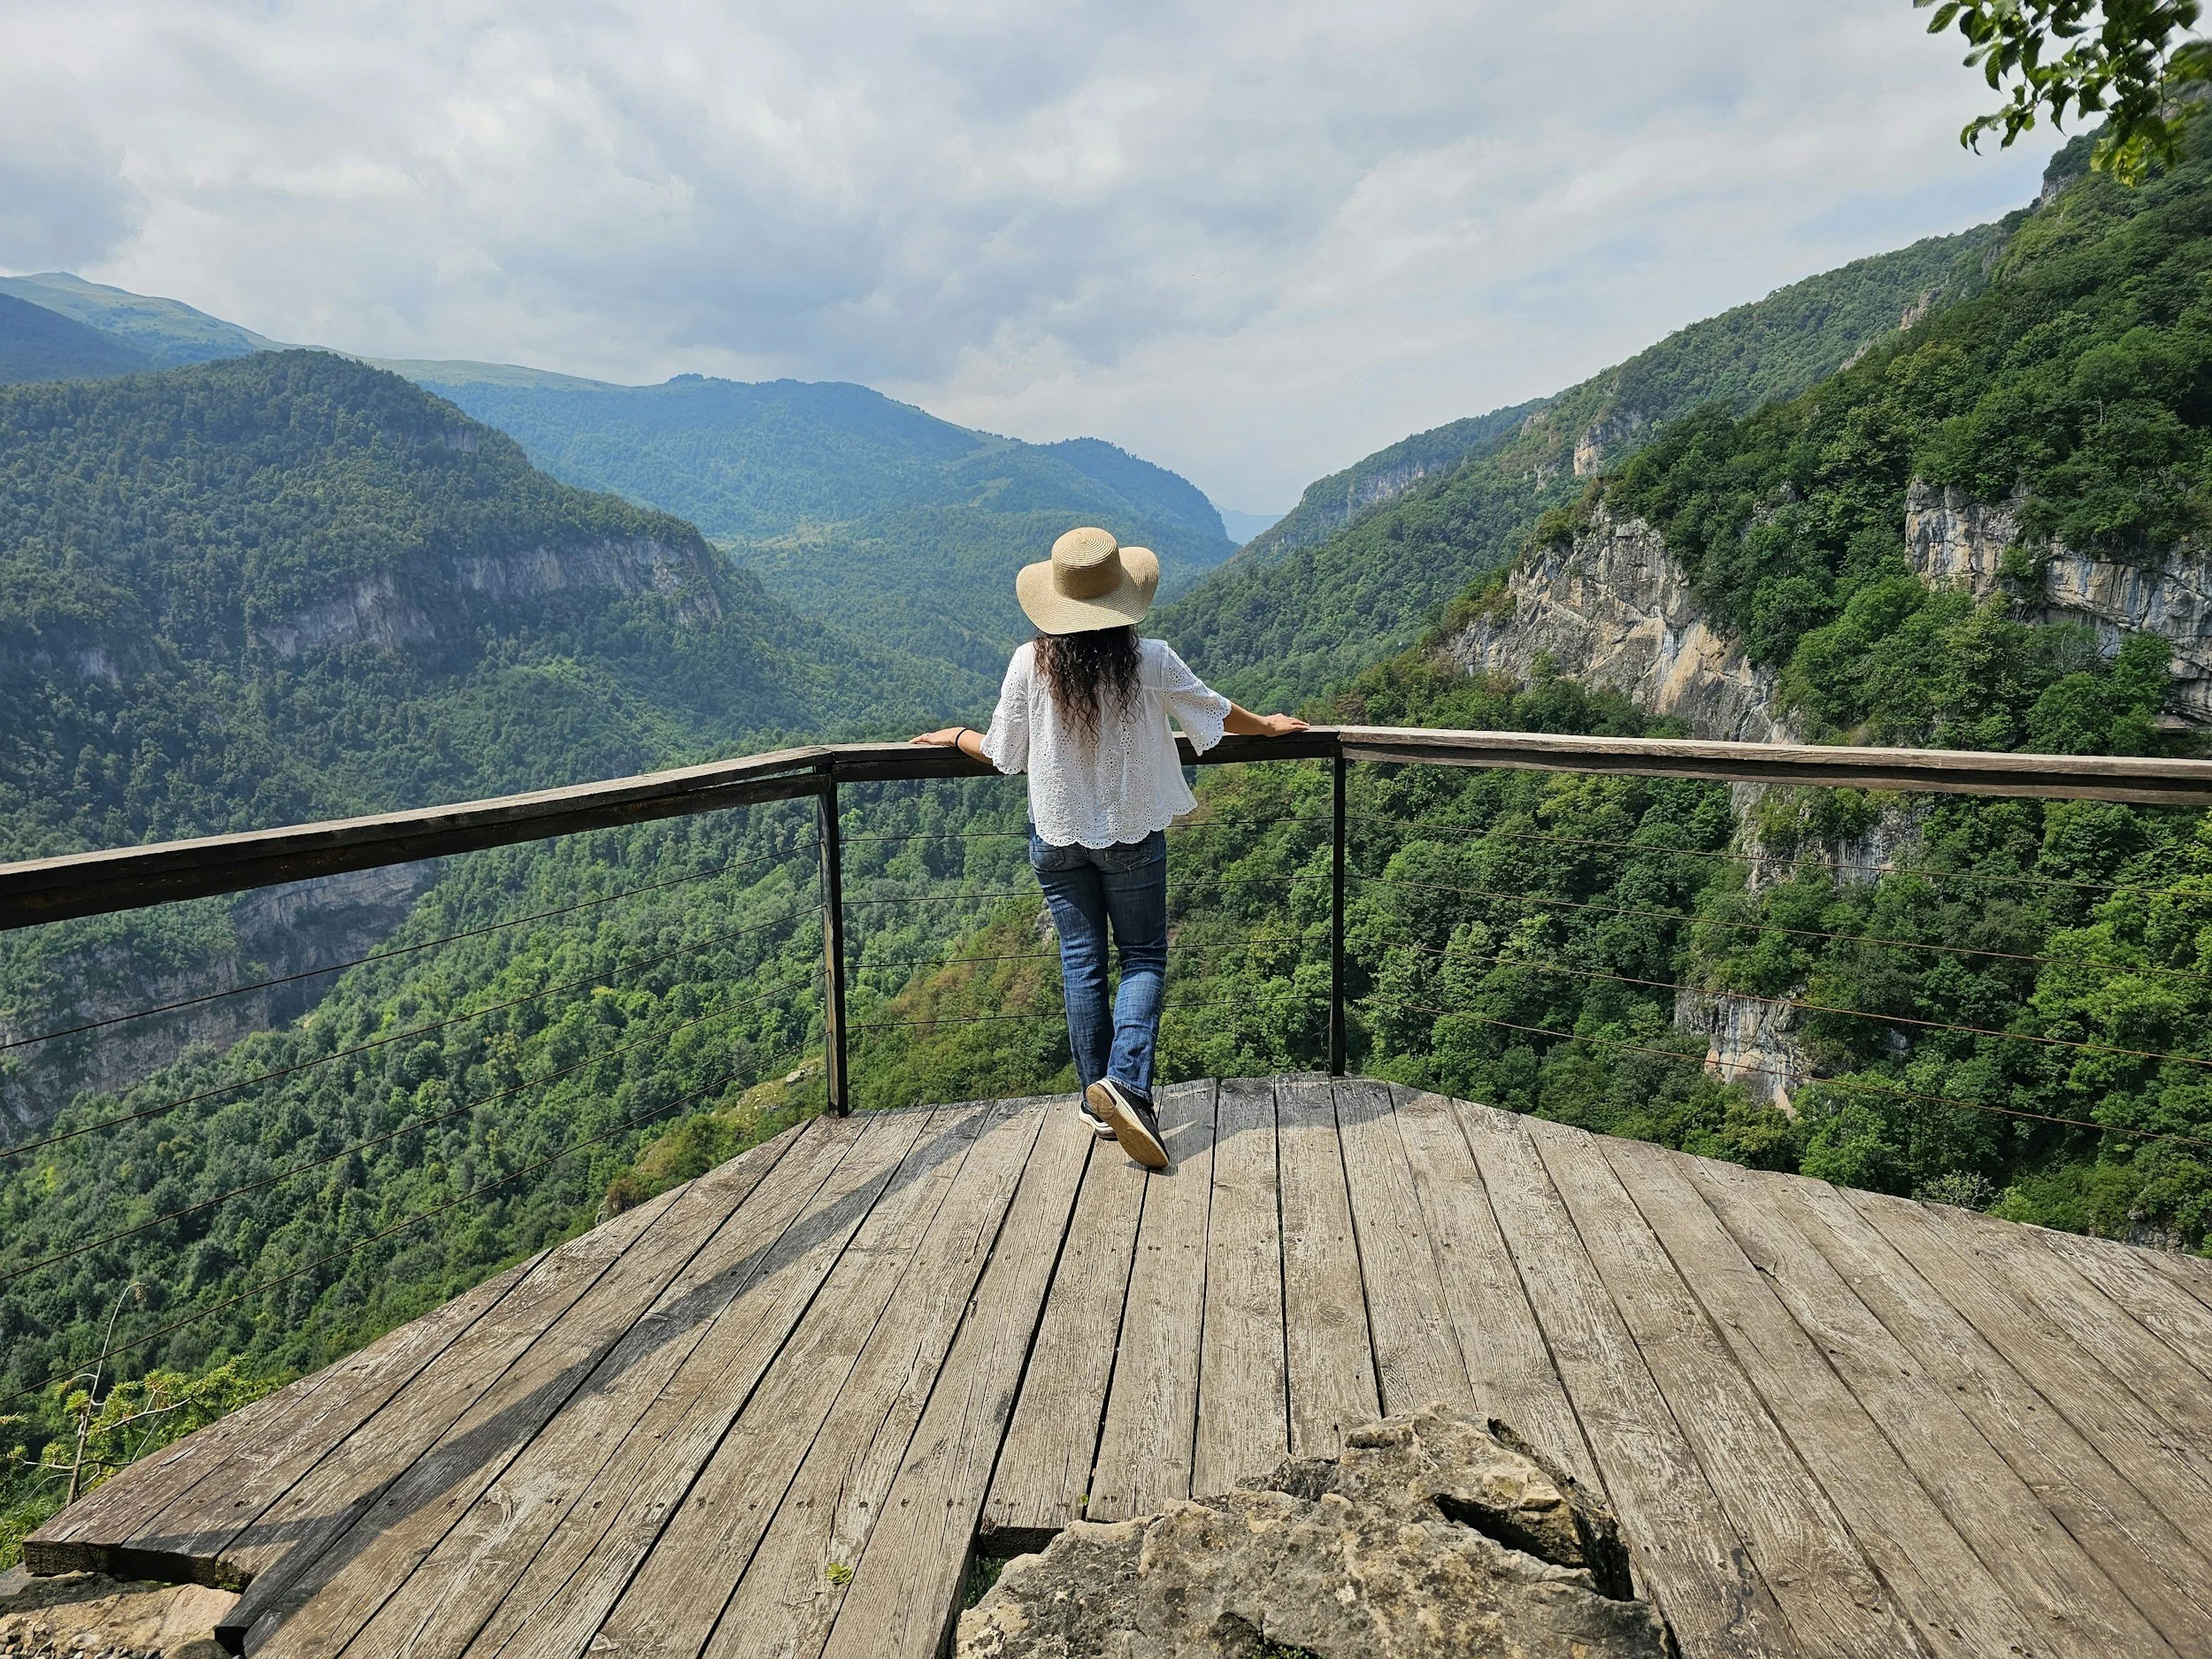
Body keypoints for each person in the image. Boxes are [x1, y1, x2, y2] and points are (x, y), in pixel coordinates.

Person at [911, 526, 1309, 1171]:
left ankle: (1097, 1098)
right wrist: (1269, 726)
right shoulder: (1149, 659)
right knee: (1145, 955)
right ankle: (1125, 1083)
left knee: (1081, 961)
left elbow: (1003, 754)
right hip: (1130, 833)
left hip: (1057, 836)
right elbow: (1213, 710)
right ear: (1122, 599)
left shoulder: (1027, 663)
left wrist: (955, 734)